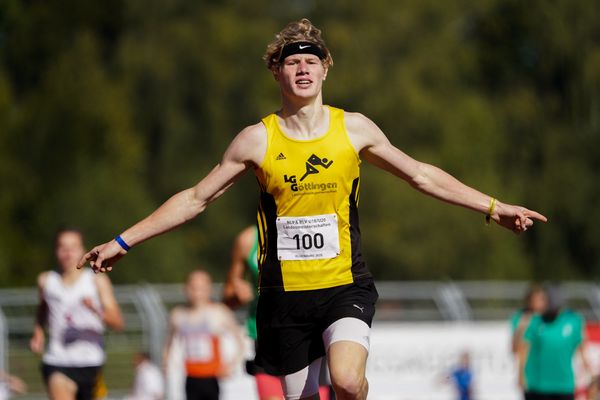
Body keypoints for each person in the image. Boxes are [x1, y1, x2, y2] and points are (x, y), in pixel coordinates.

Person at [78, 18, 547, 400]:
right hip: (284, 297)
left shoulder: (355, 129)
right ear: (276, 73)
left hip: (345, 284)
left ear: (325, 71)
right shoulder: (256, 140)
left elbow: (420, 174)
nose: (302, 69)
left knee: (345, 381)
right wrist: (124, 240)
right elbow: (196, 199)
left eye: (311, 61)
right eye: (292, 62)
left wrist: (492, 205)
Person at [223, 226, 332, 400]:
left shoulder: (311, 227)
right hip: (267, 337)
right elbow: (228, 296)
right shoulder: (248, 239)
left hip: (310, 337)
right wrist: (236, 295)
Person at [30, 228, 124, 400]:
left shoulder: (96, 280)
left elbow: (118, 323)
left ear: (83, 250)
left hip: (90, 361)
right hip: (57, 359)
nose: (67, 253)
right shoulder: (46, 281)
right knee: (58, 385)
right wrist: (38, 332)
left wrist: (95, 310)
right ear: (56, 251)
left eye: (73, 247)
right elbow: (43, 308)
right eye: (62, 247)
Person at [163, 269, 245, 400]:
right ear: (185, 288)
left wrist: (231, 365)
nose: (197, 293)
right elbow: (168, 344)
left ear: (209, 289)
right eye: (193, 287)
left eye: (201, 288)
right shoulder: (178, 315)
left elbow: (240, 340)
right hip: (189, 377)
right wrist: (167, 366)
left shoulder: (219, 312)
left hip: (212, 378)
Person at [518, 285, 591, 400]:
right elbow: (523, 349)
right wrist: (521, 374)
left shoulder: (573, 321)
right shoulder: (535, 321)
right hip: (537, 385)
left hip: (563, 385)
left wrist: (588, 369)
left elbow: (581, 347)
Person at [510, 284, 548, 398]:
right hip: (532, 377)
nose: (539, 302)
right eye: (535, 299)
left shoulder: (553, 319)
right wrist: (521, 375)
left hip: (553, 376)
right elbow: (516, 349)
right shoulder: (521, 317)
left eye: (542, 299)